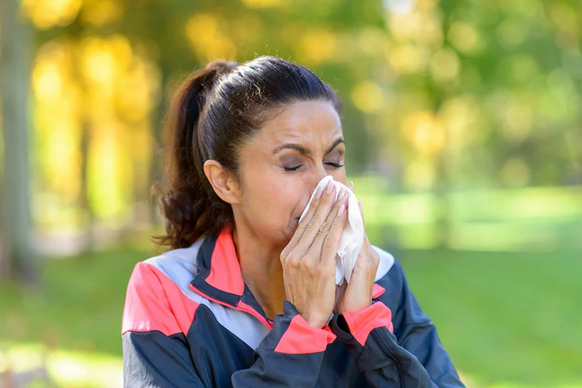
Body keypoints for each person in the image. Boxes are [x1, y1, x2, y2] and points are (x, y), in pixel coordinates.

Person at [121, 56, 466, 388]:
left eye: (333, 160)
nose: (323, 184)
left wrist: (366, 327)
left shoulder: (381, 276)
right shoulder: (165, 289)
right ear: (225, 181)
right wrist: (303, 327)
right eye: (292, 164)